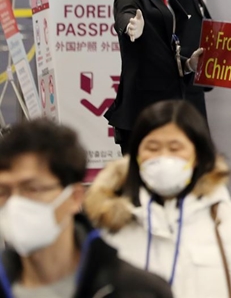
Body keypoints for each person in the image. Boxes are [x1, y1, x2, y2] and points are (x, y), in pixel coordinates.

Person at [85, 100, 231, 298]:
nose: (163, 157)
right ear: (136, 155)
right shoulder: (109, 226)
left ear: (199, 155)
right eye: (152, 148)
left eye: (175, 148)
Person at [0, 119, 173, 298]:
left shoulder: (136, 291)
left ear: (75, 197)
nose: (15, 203)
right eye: (3, 192)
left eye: (33, 189)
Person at [105, 0, 203, 155]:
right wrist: (130, 26)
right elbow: (125, 12)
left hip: (168, 106)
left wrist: (188, 65)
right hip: (143, 111)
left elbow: (164, 45)